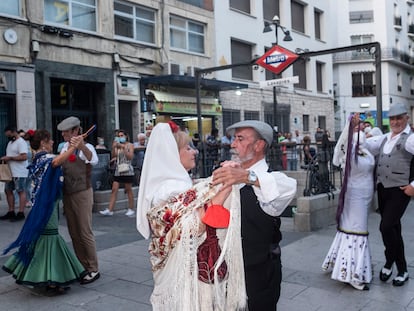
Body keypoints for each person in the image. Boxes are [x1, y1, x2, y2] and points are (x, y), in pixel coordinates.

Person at [137, 121, 247, 310]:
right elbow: (196, 225)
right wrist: (224, 184)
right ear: (171, 155)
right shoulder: (171, 189)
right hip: (185, 277)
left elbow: (200, 206)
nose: (194, 151)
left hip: (184, 273)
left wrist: (224, 182)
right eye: (188, 147)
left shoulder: (173, 185)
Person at [211, 120, 297, 311]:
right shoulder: (227, 174)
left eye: (240, 139)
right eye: (234, 139)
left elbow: (288, 186)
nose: (233, 144)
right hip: (224, 272)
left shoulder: (271, 181)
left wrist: (245, 177)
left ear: (259, 145)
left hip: (258, 277)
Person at [2, 129, 86, 294]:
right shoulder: (44, 158)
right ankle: (51, 280)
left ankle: (44, 276)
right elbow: (56, 162)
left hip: (44, 203)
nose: (53, 142)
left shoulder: (37, 157)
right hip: (45, 205)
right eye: (50, 140)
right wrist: (73, 147)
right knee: (50, 236)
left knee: (43, 238)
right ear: (42, 142)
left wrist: (72, 147)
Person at [322, 114, 375, 290]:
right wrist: (351, 129)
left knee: (351, 229)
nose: (361, 127)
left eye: (361, 125)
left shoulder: (365, 148)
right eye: (357, 125)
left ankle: (343, 265)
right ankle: (354, 274)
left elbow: (381, 140)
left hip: (364, 196)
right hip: (354, 197)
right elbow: (340, 151)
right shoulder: (348, 150)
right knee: (357, 230)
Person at [365, 103, 413, 287]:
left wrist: (413, 185)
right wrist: (356, 130)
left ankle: (390, 261)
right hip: (383, 189)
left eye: (399, 118)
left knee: (386, 227)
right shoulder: (385, 137)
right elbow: (367, 145)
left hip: (400, 190)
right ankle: (401, 269)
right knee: (394, 229)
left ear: (406, 118)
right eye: (392, 118)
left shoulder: (410, 139)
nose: (395, 121)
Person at [57, 116, 100, 285]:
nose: (63, 135)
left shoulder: (86, 146)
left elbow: (93, 159)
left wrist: (81, 146)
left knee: (85, 231)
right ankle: (82, 266)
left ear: (76, 131)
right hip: (67, 193)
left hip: (82, 193)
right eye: (62, 132)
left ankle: (93, 268)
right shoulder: (64, 148)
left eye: (67, 132)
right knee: (74, 232)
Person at [100, 129, 135, 217]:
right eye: (119, 136)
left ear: (126, 136)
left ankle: (131, 208)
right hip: (119, 169)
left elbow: (130, 157)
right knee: (114, 189)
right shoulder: (117, 146)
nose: (120, 137)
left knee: (128, 189)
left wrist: (123, 147)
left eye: (122, 135)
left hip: (127, 169)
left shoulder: (130, 145)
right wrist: (114, 147)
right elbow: (114, 156)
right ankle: (110, 209)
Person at [0, 126, 29, 221]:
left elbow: (24, 157)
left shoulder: (21, 142)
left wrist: (10, 158)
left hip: (19, 171)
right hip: (10, 171)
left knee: (20, 190)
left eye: (9, 135)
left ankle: (21, 212)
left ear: (14, 132)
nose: (8, 137)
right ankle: (11, 211)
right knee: (8, 190)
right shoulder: (10, 143)